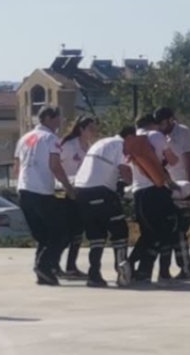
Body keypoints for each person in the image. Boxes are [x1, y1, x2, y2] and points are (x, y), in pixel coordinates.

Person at [14, 105, 75, 286]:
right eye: (58, 118)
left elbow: (16, 168)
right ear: (48, 118)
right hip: (41, 191)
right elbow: (55, 166)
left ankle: (42, 272)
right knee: (62, 232)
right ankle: (44, 266)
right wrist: (69, 188)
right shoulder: (50, 138)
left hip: (24, 190)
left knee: (43, 235)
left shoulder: (24, 138)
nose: (60, 122)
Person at [72, 126, 135, 287]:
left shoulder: (100, 143)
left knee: (97, 236)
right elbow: (126, 174)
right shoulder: (119, 145)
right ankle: (122, 270)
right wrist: (130, 180)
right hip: (101, 191)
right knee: (120, 231)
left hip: (81, 192)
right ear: (129, 137)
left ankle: (94, 275)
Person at [127, 112, 179, 282]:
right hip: (155, 190)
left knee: (148, 232)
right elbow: (172, 161)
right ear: (153, 124)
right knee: (166, 229)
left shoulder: (132, 139)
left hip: (138, 191)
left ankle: (142, 271)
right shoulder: (156, 135)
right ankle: (133, 264)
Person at [155, 107, 190, 281]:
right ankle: (185, 268)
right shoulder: (163, 136)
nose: (160, 126)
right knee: (174, 231)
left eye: (162, 122)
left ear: (171, 120)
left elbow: (189, 161)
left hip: (185, 189)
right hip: (173, 188)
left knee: (179, 231)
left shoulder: (183, 134)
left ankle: (187, 269)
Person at [57, 115, 99, 279]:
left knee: (77, 232)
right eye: (90, 128)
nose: (94, 132)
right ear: (81, 129)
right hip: (66, 192)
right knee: (66, 233)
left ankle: (71, 266)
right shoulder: (68, 145)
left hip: (82, 192)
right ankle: (53, 264)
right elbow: (55, 164)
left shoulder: (88, 147)